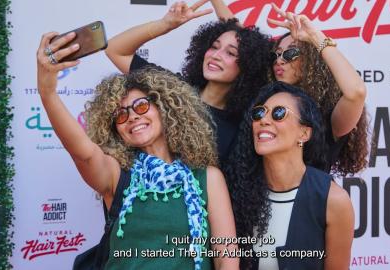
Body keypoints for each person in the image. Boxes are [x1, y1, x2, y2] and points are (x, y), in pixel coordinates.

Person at [36, 31, 238, 269]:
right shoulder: (117, 173)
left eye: (141, 106)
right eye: (121, 115)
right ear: (115, 129)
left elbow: (227, 260)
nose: (132, 116)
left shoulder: (207, 177)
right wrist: (47, 93)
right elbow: (83, 152)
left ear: (164, 109)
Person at [105, 0, 272, 167]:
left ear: (248, 65)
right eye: (214, 47)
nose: (216, 55)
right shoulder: (171, 89)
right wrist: (165, 25)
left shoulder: (240, 127)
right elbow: (115, 49)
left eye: (230, 53)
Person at [226, 81, 354, 270]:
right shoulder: (238, 190)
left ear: (304, 133)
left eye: (278, 113)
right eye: (259, 113)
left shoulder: (332, 199)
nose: (264, 120)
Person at [267, 4, 369, 175]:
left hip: (313, 200)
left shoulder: (329, 118)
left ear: (313, 62)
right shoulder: (263, 108)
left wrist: (315, 37)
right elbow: (239, 41)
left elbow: (356, 92)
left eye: (290, 53)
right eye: (276, 54)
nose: (279, 60)